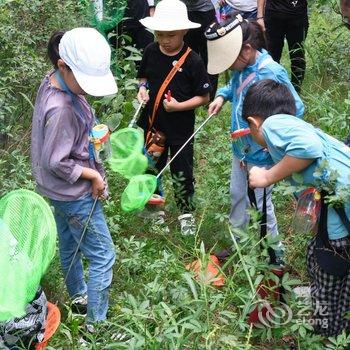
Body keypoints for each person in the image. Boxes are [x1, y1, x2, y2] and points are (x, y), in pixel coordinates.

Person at [244, 79, 350, 337]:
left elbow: (308, 148)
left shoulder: (272, 125)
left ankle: (325, 335)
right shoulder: (295, 125)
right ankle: (340, 331)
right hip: (342, 213)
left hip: (339, 222)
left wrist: (267, 177)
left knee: (324, 269)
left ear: (253, 123)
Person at [31, 28, 117, 327]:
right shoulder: (62, 107)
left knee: (69, 243)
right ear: (63, 65)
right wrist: (93, 175)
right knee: (103, 255)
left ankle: (79, 295)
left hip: (57, 193)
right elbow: (55, 161)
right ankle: (95, 327)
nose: (87, 89)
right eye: (84, 80)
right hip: (74, 194)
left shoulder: (53, 81)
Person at [206, 16, 304, 260]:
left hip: (261, 153)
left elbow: (296, 107)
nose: (229, 68)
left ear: (247, 50)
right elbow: (234, 86)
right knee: (238, 194)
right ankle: (239, 242)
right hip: (241, 150)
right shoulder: (241, 67)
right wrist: (221, 96)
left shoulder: (269, 72)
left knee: (261, 204)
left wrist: (268, 134)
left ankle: (274, 255)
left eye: (230, 62)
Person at [137, 0, 211, 235]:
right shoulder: (150, 51)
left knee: (182, 170)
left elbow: (204, 97)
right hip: (153, 126)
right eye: (159, 34)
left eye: (170, 35)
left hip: (181, 129)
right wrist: (142, 89)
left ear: (184, 31)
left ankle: (186, 213)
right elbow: (143, 78)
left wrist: (179, 107)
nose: (164, 40)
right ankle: (154, 210)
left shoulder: (193, 61)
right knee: (151, 167)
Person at [263, 0, 309, 93]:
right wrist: (259, 16)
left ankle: (296, 92)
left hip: (298, 15)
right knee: (271, 56)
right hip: (273, 15)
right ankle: (270, 91)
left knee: (297, 56)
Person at [181, 0, 219, 99]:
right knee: (187, 55)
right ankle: (190, 93)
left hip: (206, 12)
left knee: (210, 56)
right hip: (184, 11)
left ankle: (209, 96)